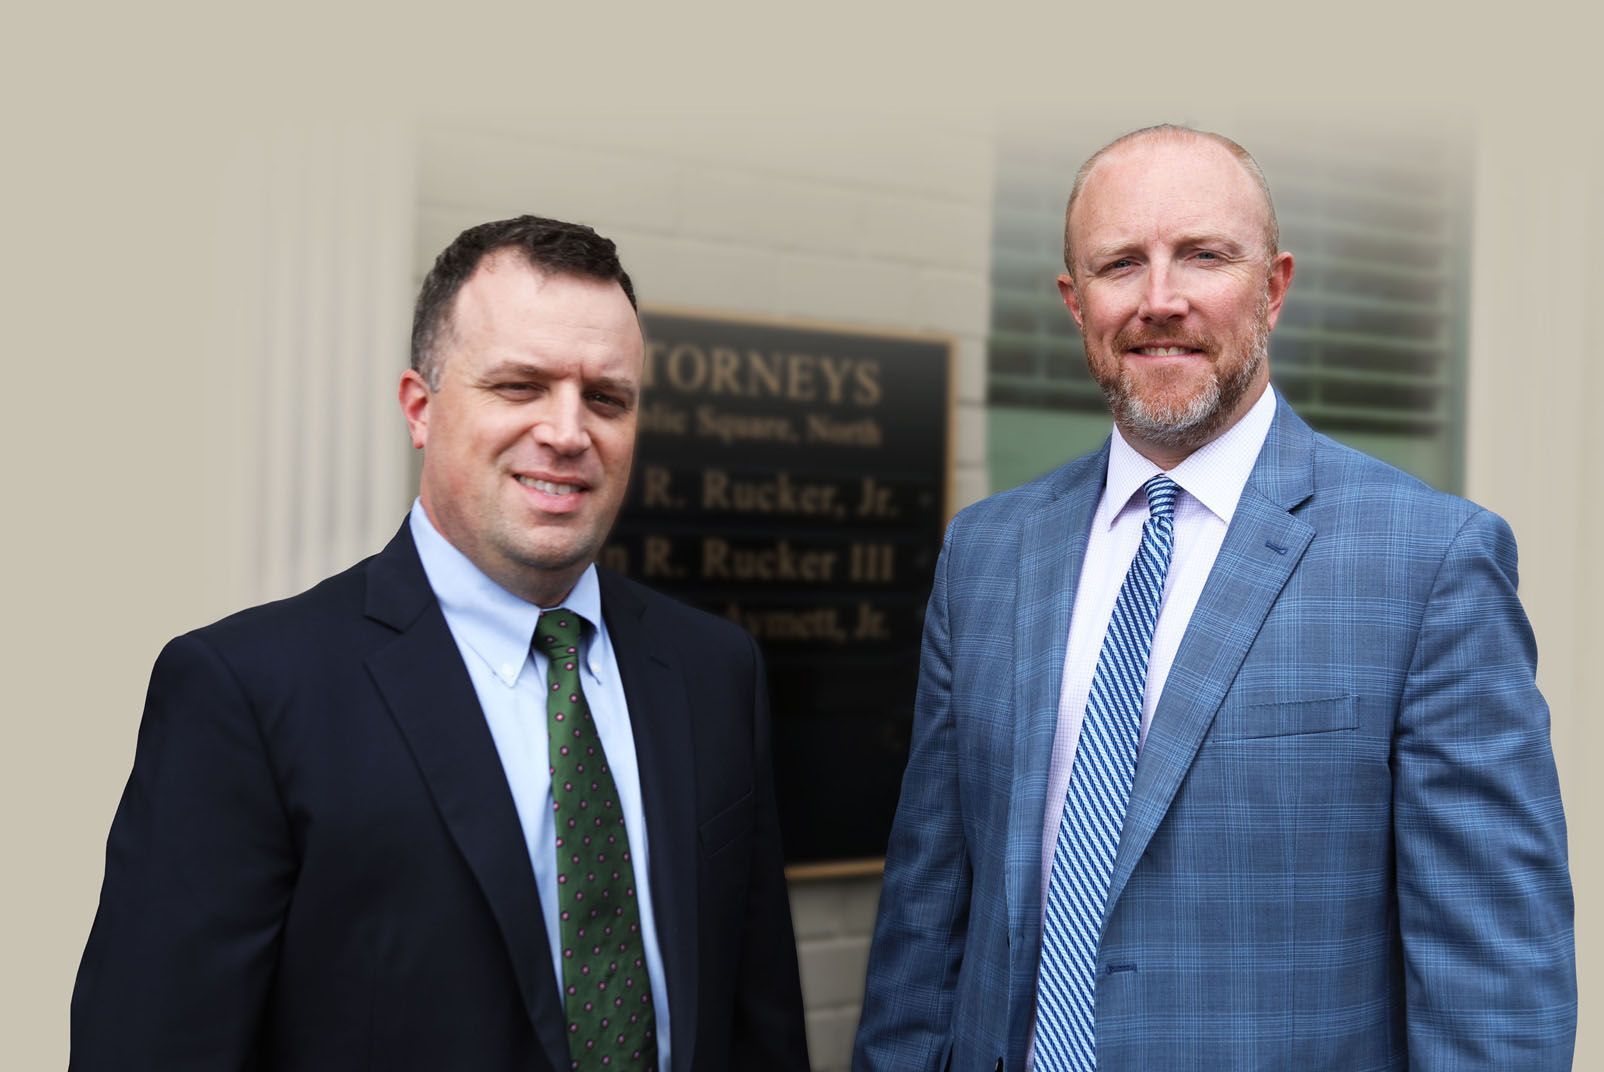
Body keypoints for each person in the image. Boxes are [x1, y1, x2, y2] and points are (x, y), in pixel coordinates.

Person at [854, 126, 1576, 1070]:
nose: (1162, 300)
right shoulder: (988, 553)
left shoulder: (1431, 561)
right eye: (1121, 264)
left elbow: (1494, 982)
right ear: (1077, 304)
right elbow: (926, 912)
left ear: (1273, 287)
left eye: (1203, 255)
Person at [72, 215, 810, 1072]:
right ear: (420, 410)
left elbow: (761, 1024)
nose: (569, 433)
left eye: (606, 398)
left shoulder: (713, 671)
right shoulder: (248, 693)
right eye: (520, 386)